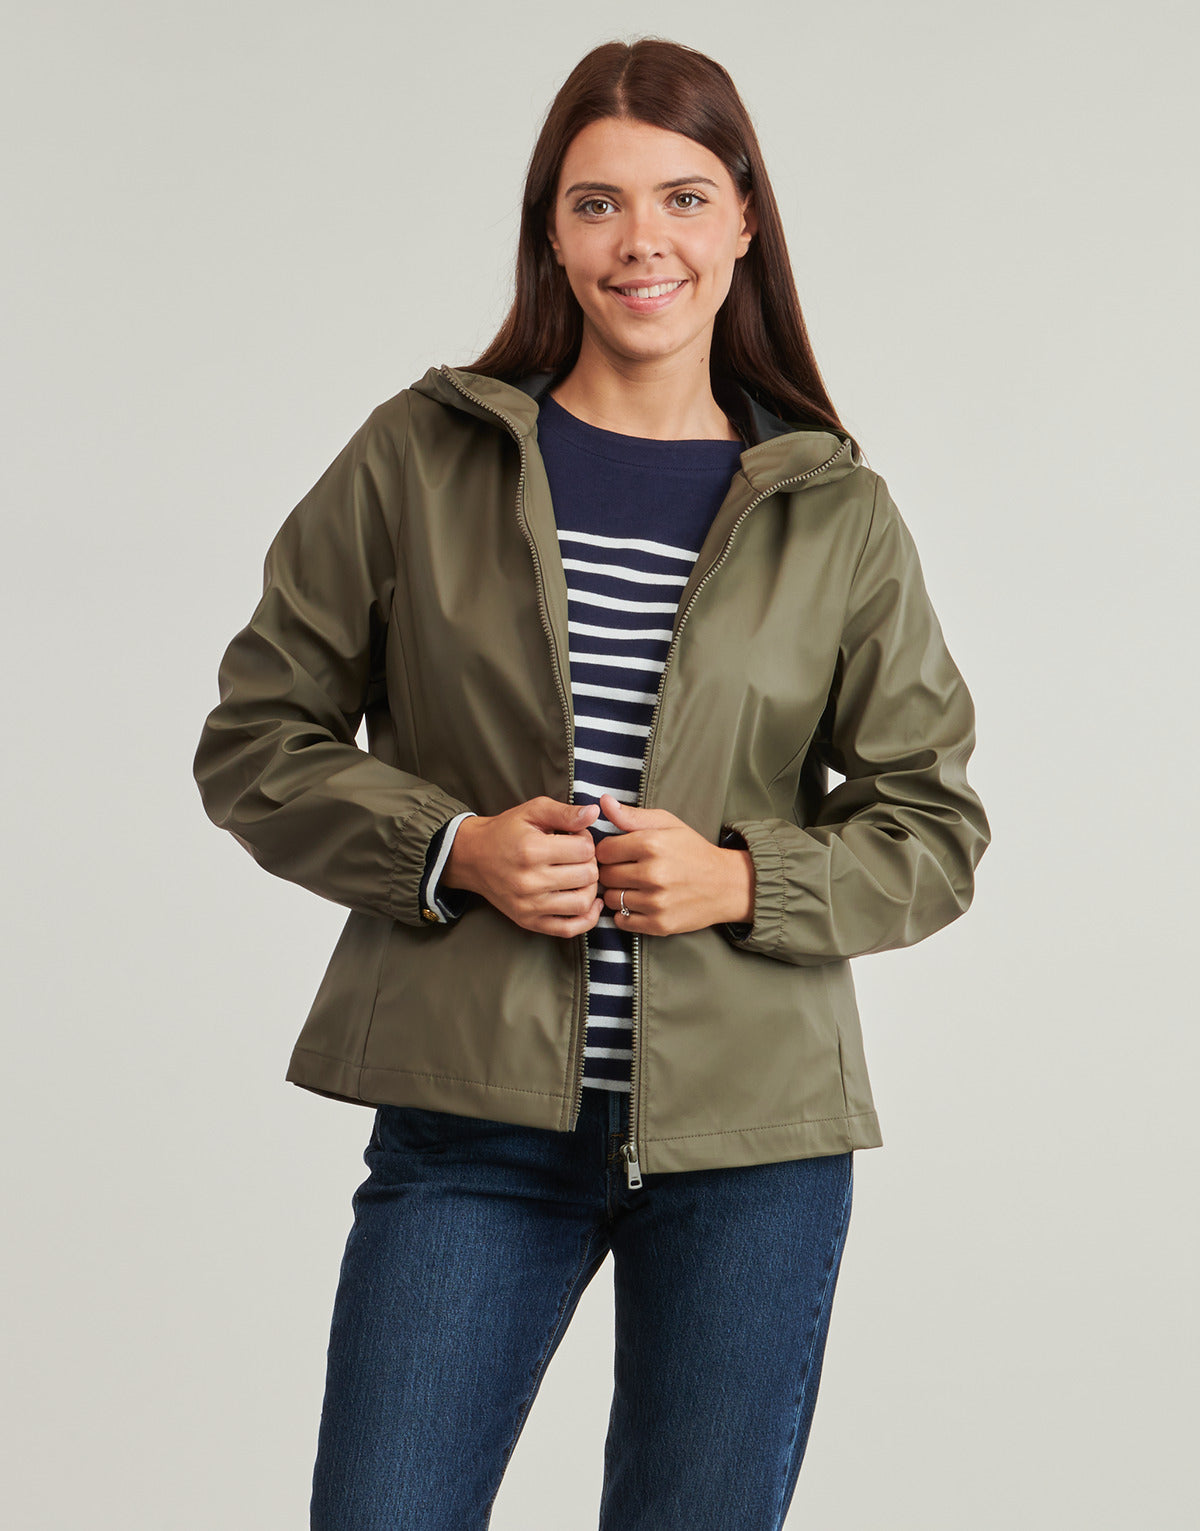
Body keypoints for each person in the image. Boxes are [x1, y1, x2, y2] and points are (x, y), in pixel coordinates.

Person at [193, 35, 990, 1531]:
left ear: (743, 223)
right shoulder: (419, 458)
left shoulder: (836, 511)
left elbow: (934, 827)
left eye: (683, 198)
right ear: (551, 234)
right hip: (470, 1124)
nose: (643, 243)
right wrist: (456, 846)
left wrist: (742, 878)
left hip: (754, 1146)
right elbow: (257, 736)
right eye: (597, 203)